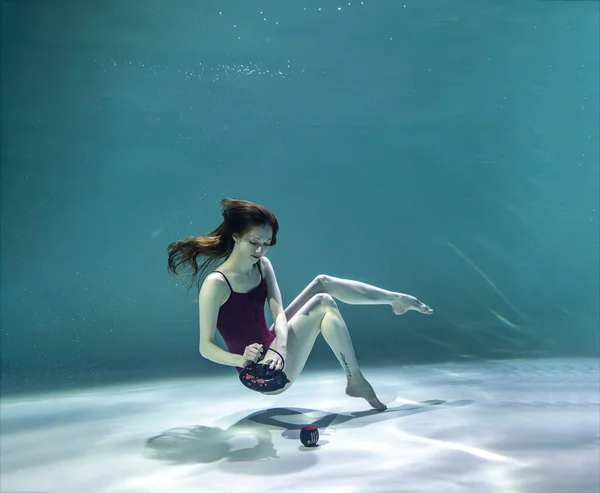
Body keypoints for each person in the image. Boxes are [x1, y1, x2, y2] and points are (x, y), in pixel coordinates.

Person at [167, 198, 433, 411]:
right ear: (235, 237)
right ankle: (356, 380)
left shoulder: (262, 266)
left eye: (266, 244)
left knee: (322, 282)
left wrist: (279, 348)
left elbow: (278, 313)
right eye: (254, 242)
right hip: (262, 373)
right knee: (323, 302)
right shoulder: (216, 284)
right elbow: (206, 348)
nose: (260, 251)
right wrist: (242, 359)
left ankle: (394, 299)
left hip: (276, 349)